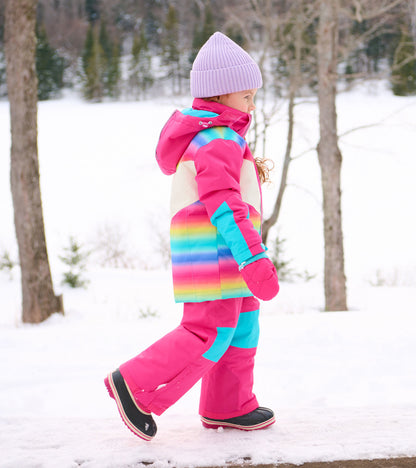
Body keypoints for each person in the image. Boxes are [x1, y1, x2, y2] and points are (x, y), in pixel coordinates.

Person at [105, 31, 279, 441]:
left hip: (229, 255)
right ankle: (135, 384)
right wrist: (254, 258)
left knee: (241, 327)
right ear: (219, 96)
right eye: (246, 96)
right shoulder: (216, 140)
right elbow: (224, 204)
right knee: (211, 331)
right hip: (216, 256)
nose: (252, 104)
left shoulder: (226, 138)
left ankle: (228, 405)